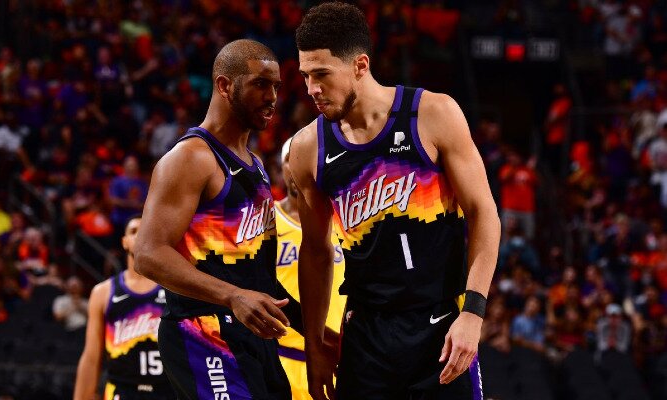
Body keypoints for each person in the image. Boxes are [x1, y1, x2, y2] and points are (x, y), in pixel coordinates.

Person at [289, 3, 501, 399]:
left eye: (321, 75)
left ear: (360, 65)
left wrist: (473, 312)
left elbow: (483, 213)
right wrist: (314, 344)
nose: (311, 89)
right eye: (305, 76)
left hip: (439, 325)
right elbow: (316, 252)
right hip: (366, 335)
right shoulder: (306, 149)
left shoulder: (434, 113)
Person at [134, 39, 303, 400]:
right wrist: (232, 296)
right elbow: (148, 253)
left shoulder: (256, 166)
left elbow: (260, 281)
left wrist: (320, 337)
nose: (272, 96)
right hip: (204, 331)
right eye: (260, 84)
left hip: (251, 335)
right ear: (225, 85)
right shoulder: (191, 157)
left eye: (276, 86)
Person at [74, 215, 175, 400]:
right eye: (133, 231)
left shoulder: (174, 288)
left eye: (145, 229)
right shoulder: (103, 292)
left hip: (168, 391)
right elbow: (91, 357)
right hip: (121, 391)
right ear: (124, 242)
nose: (140, 235)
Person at [275, 138, 346, 399]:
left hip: (340, 359)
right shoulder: (265, 222)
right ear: (280, 168)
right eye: (289, 160)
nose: (296, 168)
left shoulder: (346, 219)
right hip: (281, 358)